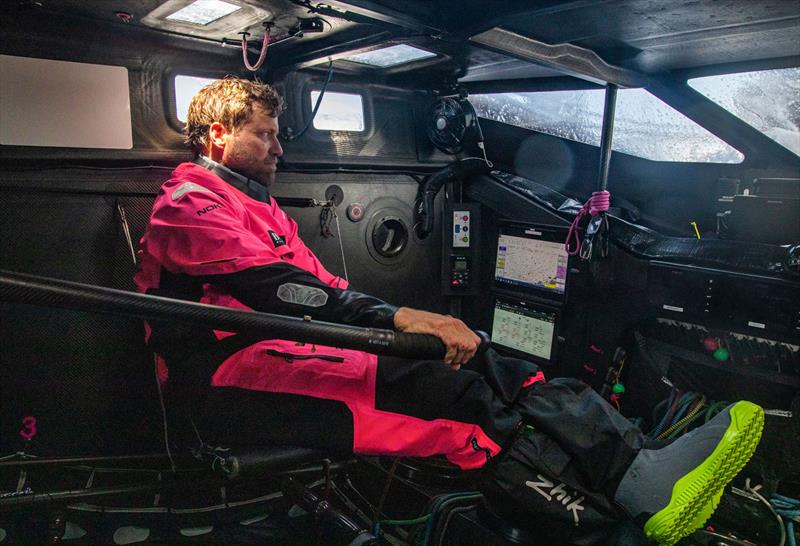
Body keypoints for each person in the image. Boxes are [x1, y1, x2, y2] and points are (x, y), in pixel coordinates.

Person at [134, 77, 764, 545]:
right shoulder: (188, 202)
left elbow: (320, 280)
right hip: (230, 378)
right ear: (219, 134)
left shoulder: (259, 207)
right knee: (461, 407)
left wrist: (411, 323)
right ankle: (603, 529)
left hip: (289, 349)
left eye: (276, 135)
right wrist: (400, 321)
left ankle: (635, 469)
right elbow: (280, 290)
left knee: (495, 361)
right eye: (262, 135)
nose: (276, 148)